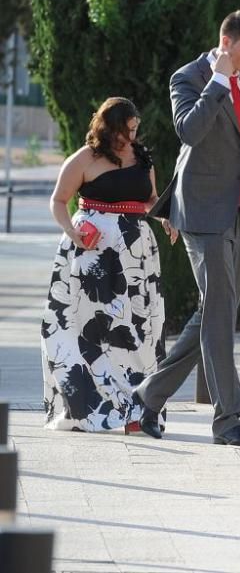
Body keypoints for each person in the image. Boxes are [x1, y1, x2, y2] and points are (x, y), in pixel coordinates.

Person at [133, 10, 240, 447]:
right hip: (201, 211)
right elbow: (189, 130)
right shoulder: (188, 77)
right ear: (226, 43)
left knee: (213, 313)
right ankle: (228, 420)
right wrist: (219, 80)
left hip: (237, 213)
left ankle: (148, 397)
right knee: (221, 315)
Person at [41, 97, 178, 433]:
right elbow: (59, 200)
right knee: (88, 328)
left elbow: (149, 199)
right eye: (125, 130)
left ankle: (137, 412)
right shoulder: (85, 158)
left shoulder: (142, 157)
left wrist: (165, 217)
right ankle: (87, 408)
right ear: (108, 128)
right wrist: (72, 231)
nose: (131, 136)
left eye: (135, 129)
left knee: (139, 329)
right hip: (91, 253)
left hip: (135, 253)